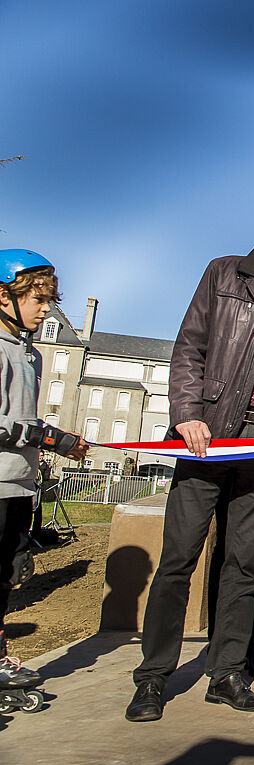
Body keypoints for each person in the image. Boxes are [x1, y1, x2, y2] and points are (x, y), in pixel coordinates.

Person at [127, 190, 254, 722]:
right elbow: (189, 348)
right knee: (179, 559)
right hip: (207, 437)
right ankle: (153, 677)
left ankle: (226, 674)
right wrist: (186, 413)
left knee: (245, 564)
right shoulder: (224, 273)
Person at [0, 250, 88, 697]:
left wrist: (55, 440)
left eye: (50, 301)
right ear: (4, 297)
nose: (45, 310)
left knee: (8, 574)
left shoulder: (28, 353)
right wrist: (50, 437)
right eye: (37, 299)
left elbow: (25, 421)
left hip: (18, 481)